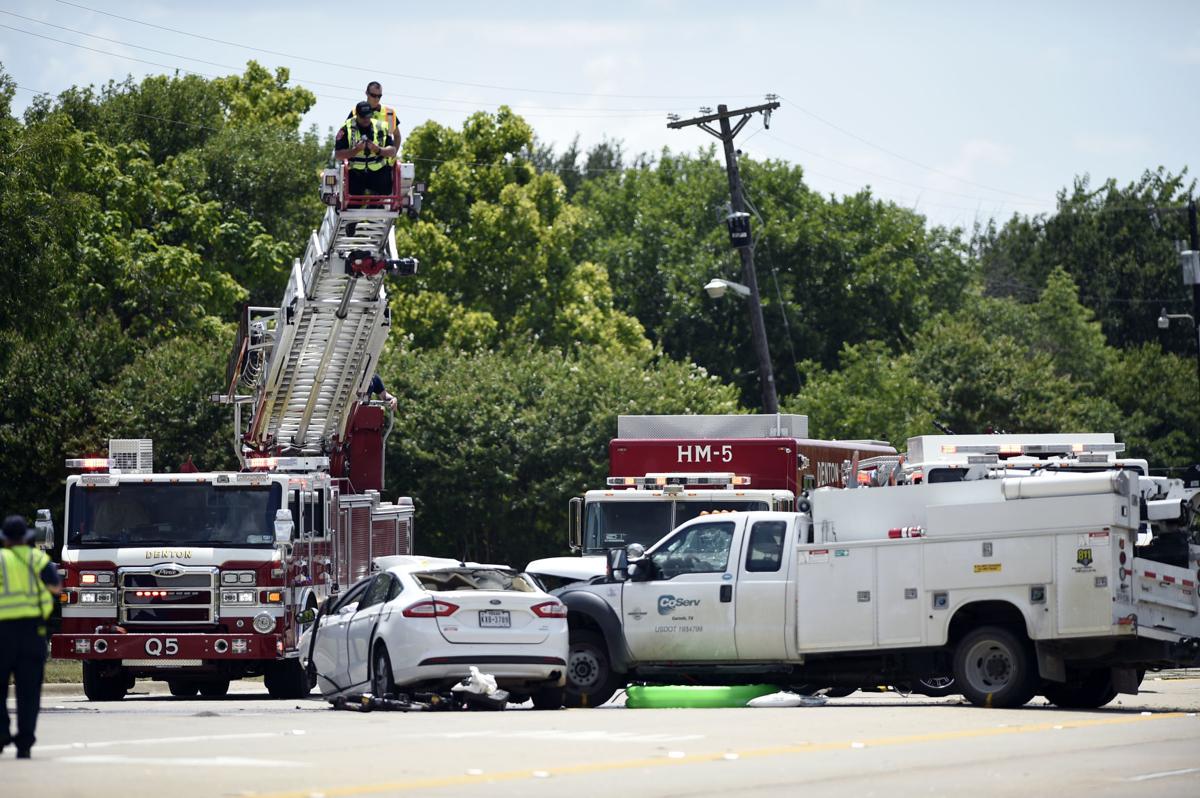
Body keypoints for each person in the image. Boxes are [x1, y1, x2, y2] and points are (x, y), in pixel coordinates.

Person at [0, 515, 61, 760]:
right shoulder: (38, 559)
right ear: (26, 537)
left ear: (5, 539)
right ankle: (24, 744)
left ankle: (1, 733)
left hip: (2, 632)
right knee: (28, 693)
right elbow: (56, 588)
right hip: (33, 633)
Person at [333, 101, 397, 198]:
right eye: (363, 117)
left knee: (384, 184)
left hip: (378, 172)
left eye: (368, 116)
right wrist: (355, 150)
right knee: (353, 197)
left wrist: (378, 149)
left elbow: (392, 151)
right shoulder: (346, 128)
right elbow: (338, 155)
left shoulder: (382, 126)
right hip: (355, 172)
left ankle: (377, 204)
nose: (366, 119)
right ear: (357, 115)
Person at [347, 82, 400, 165]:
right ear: (366, 93)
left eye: (379, 96)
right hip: (359, 163)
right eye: (373, 95)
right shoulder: (356, 112)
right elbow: (346, 135)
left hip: (383, 164)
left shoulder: (389, 113)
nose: (377, 99)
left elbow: (397, 136)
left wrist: (393, 154)